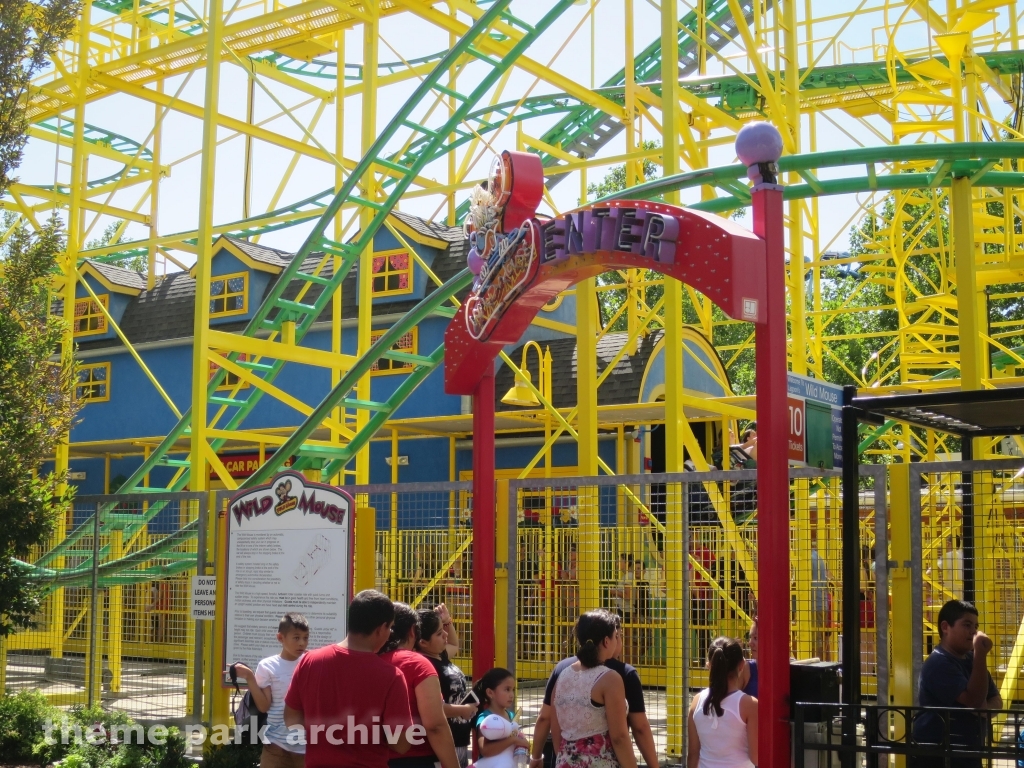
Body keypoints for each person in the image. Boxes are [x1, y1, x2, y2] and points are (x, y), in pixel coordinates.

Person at [284, 590, 416, 768]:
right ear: (380, 629)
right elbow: (401, 743)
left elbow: (291, 719)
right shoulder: (391, 676)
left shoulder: (309, 661)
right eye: (390, 628)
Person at [530, 612, 658, 768]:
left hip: (565, 762)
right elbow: (619, 738)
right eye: (616, 636)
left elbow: (556, 729)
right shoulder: (610, 678)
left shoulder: (562, 675)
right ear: (606, 641)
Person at [911, 600, 1002, 768]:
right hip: (938, 755)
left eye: (976, 626)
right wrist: (980, 654)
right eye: (967, 625)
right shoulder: (939, 663)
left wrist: (982, 708)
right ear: (945, 627)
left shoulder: (970, 660)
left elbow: (996, 700)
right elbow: (974, 701)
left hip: (967, 752)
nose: (973, 631)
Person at [380, 603, 461, 768]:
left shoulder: (372, 662)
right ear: (412, 631)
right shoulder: (417, 664)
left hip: (377, 757)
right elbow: (435, 725)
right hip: (417, 756)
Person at [232, 613, 310, 768]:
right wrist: (249, 677)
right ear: (280, 638)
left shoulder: (311, 662)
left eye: (306, 638)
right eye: (296, 637)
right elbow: (264, 706)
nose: (302, 643)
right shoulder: (267, 665)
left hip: (307, 745)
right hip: (275, 745)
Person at [416, 606, 476, 768]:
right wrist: (463, 710)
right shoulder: (424, 666)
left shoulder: (439, 655)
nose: (446, 635)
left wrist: (447, 621)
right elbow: (432, 708)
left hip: (459, 739)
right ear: (423, 642)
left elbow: (454, 645)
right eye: (439, 633)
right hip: (443, 743)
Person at [687, 637, 757, 768]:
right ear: (742, 665)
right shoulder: (749, 704)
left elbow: (693, 755)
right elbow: (756, 756)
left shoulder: (696, 701)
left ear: (709, 665)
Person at [471, 668, 529, 768]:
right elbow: (485, 750)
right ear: (490, 693)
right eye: (507, 689)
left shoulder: (511, 715)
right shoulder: (485, 718)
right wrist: (513, 740)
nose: (511, 695)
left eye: (513, 690)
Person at [742, 618, 758, 698]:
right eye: (750, 638)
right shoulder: (745, 668)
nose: (750, 643)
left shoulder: (789, 667)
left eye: (755, 638)